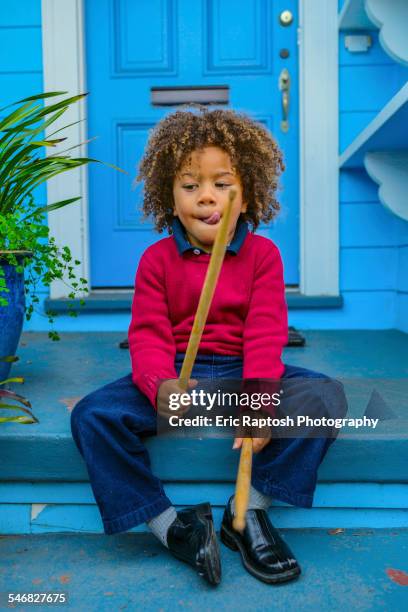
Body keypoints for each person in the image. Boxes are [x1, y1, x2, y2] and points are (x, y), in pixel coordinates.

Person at [70, 107, 347, 587]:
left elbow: (264, 332)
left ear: (248, 193)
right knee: (92, 415)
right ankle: (170, 526)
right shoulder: (156, 260)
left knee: (325, 398)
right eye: (190, 184)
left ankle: (248, 512)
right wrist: (160, 386)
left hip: (243, 373)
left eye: (222, 184)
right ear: (168, 195)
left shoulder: (263, 256)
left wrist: (260, 399)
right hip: (181, 376)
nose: (206, 197)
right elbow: (148, 334)